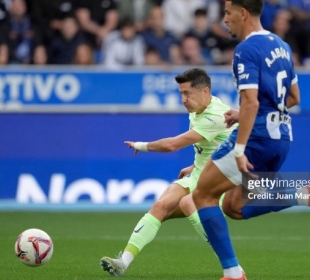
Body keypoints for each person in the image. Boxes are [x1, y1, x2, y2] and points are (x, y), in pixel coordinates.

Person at [191, 0, 310, 280]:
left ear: (243, 13)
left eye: (228, 12)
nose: (225, 19)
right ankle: (305, 195)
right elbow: (294, 97)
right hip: (281, 138)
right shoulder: (281, 45)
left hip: (255, 138)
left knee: (202, 195)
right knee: (234, 206)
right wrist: (240, 114)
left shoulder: (245, 49)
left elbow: (252, 101)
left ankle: (233, 274)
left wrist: (241, 148)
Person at [99, 67, 237, 277]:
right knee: (161, 205)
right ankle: (122, 263)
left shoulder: (216, 116)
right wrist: (194, 166)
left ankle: (234, 269)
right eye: (181, 93)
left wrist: (141, 145)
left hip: (219, 182)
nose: (183, 99)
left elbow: (173, 145)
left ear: (205, 91)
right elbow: (218, 147)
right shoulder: (198, 110)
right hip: (200, 174)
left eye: (187, 93)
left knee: (188, 202)